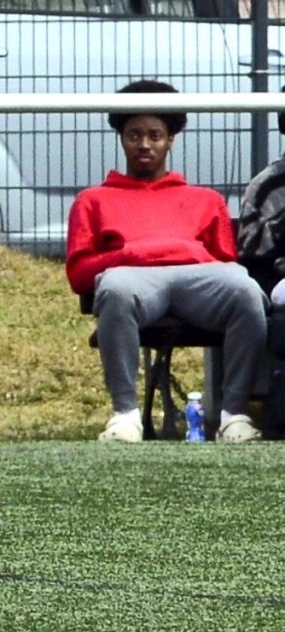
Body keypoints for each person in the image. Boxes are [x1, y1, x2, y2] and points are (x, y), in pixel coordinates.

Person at [66, 80, 266, 443]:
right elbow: (79, 275)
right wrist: (131, 255)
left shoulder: (205, 200)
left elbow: (225, 263)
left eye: (155, 135)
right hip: (133, 280)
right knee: (116, 287)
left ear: (170, 139)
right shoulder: (93, 200)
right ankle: (125, 416)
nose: (144, 144)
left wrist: (184, 254)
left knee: (246, 290)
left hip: (197, 279)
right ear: (121, 138)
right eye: (134, 135)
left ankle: (233, 416)